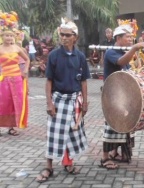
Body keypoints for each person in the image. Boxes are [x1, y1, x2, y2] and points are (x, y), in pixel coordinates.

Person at [35, 18, 90, 183]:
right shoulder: (53, 55)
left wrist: (85, 102)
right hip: (58, 100)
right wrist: (49, 103)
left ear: (75, 37)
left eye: (68, 35)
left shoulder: (80, 56)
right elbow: (49, 81)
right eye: (62, 35)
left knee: (72, 134)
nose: (64, 38)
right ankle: (49, 167)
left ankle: (68, 163)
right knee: (54, 134)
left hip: (75, 100)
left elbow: (84, 81)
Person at [101, 24, 144, 169]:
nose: (130, 39)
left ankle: (115, 152)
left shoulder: (122, 51)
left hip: (123, 95)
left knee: (124, 125)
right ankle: (105, 158)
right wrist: (134, 49)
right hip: (113, 94)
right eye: (127, 37)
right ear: (118, 38)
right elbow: (121, 62)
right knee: (111, 125)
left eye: (131, 37)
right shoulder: (111, 52)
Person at [0, 12, 30, 136]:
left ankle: (12, 127)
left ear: (14, 37)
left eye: (11, 36)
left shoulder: (18, 48)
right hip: (3, 79)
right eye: (6, 36)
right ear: (2, 36)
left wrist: (26, 70)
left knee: (15, 102)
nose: (9, 38)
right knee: (2, 102)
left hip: (17, 78)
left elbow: (27, 59)